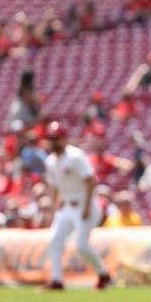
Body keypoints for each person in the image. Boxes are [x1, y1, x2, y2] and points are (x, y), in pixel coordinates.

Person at [41, 121, 111, 291]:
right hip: (66, 206)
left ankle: (103, 273)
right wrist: (53, 208)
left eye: (57, 138)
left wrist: (87, 207)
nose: (54, 142)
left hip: (84, 204)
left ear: (64, 138)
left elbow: (90, 181)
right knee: (54, 241)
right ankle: (56, 280)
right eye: (51, 138)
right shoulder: (50, 161)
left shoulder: (75, 156)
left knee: (81, 245)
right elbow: (56, 186)